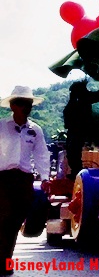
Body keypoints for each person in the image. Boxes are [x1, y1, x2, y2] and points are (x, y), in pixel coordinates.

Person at [0, 86, 50, 275]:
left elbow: (41, 155)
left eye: (28, 104)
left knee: (15, 220)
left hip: (24, 180)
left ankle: (5, 259)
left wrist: (45, 177)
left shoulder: (35, 130)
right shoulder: (1, 126)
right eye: (21, 103)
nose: (26, 107)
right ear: (13, 106)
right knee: (4, 218)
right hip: (3, 178)